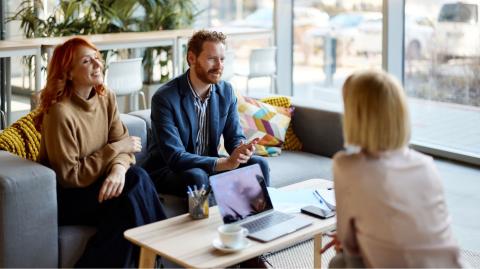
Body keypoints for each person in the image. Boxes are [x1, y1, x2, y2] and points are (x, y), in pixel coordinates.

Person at [36, 37, 166, 267]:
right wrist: (116, 151)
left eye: (98, 58)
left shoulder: (106, 97)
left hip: (103, 186)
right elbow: (70, 177)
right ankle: (164, 250)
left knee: (125, 213)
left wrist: (118, 169)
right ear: (68, 73)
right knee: (137, 179)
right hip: (68, 197)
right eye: (87, 61)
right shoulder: (59, 113)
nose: (97, 65)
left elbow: (123, 142)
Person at [328, 69, 464, 268]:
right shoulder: (426, 164)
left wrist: (346, 241)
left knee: (339, 262)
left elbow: (349, 246)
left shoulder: (347, 167)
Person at [142, 30, 270, 197]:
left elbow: (234, 138)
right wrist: (223, 163)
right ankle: (208, 223)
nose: (219, 66)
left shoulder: (226, 92)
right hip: (170, 170)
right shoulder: (164, 98)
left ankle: (259, 218)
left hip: (208, 165)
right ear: (191, 59)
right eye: (212, 59)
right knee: (197, 176)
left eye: (222, 59)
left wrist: (241, 149)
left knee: (259, 163)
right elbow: (176, 157)